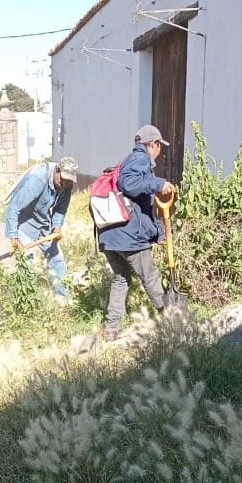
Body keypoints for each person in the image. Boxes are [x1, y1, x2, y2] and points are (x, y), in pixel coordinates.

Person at [99, 125, 176, 340]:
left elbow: (140, 207)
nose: (160, 151)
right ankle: (170, 320)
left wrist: (158, 234)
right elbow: (129, 184)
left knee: (121, 278)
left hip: (109, 235)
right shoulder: (140, 160)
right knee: (150, 277)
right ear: (153, 144)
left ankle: (111, 329)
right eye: (159, 146)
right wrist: (159, 183)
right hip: (128, 238)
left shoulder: (126, 162)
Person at [4, 155, 79, 298]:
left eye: (69, 181)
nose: (64, 183)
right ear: (57, 170)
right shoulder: (39, 179)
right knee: (27, 262)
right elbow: (14, 208)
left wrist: (56, 227)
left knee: (57, 258)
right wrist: (13, 237)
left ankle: (64, 298)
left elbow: (61, 209)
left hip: (43, 222)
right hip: (24, 223)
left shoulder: (67, 184)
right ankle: (26, 300)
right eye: (63, 179)